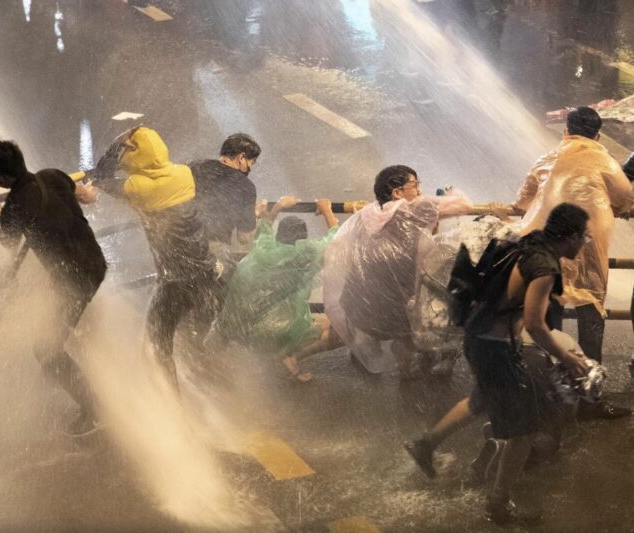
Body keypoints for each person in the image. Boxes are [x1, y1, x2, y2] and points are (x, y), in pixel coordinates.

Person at [463, 203, 591, 525]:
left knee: (518, 414)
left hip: (484, 338)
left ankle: (491, 448)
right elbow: (535, 323)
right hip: (493, 347)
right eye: (585, 238)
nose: (585, 244)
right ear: (572, 236)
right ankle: (498, 505)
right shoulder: (545, 267)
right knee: (524, 430)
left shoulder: (531, 242)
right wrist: (566, 358)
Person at [0, 141, 107, 434]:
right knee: (59, 318)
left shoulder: (13, 208)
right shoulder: (53, 175)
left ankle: (95, 409)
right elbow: (86, 197)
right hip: (95, 263)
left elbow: (9, 242)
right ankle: (87, 362)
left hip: (74, 280)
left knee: (46, 350)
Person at [92, 127, 218, 388]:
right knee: (191, 341)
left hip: (175, 283)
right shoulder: (183, 173)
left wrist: (116, 146)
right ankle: (210, 393)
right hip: (205, 274)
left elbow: (102, 176)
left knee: (155, 345)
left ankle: (171, 409)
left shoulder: (138, 188)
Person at [323, 165, 472, 376]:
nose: (419, 190)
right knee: (414, 325)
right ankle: (407, 371)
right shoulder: (417, 210)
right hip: (402, 300)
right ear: (397, 192)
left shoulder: (368, 214)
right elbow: (464, 205)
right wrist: (450, 190)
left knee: (399, 322)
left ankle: (379, 357)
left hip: (366, 306)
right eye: (415, 185)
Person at [515, 107, 632, 365]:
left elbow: (522, 202)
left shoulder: (545, 158)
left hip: (544, 241)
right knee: (590, 299)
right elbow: (626, 198)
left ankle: (549, 369)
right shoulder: (606, 161)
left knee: (549, 299)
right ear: (598, 137)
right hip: (585, 241)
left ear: (566, 131)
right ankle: (589, 371)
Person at [211, 197, 341, 382]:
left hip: (234, 327)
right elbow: (335, 240)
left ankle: (281, 354)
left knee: (270, 311)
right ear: (302, 240)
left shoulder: (263, 246)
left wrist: (278, 207)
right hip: (270, 332)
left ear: (278, 235)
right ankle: (287, 354)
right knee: (337, 328)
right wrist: (326, 209)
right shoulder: (305, 255)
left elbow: (264, 226)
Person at [189, 133, 260, 279]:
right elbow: (244, 237)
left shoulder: (195, 167)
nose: (249, 168)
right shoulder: (245, 186)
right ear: (241, 158)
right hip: (213, 251)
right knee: (226, 288)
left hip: (183, 242)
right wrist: (255, 214)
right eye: (251, 163)